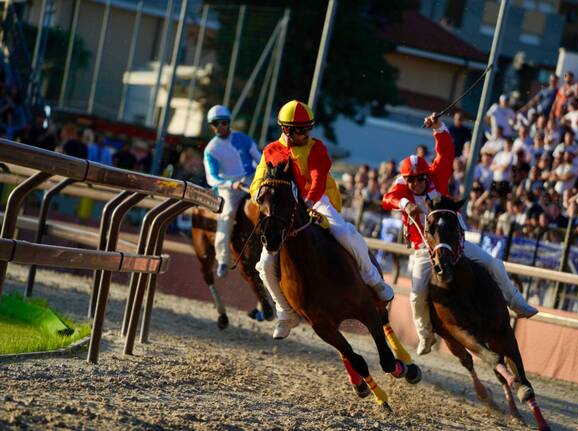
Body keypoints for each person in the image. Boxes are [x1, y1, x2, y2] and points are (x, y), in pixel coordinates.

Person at [381, 113, 538, 356]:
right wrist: (404, 203)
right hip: (425, 249)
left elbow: (446, 152)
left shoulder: (437, 175)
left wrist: (438, 127)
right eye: (410, 180)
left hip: (455, 245)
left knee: (493, 263)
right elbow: (387, 198)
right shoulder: (402, 188)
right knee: (416, 294)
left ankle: (515, 301)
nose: (415, 185)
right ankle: (425, 335)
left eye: (419, 179)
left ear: (426, 175)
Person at [250, 100, 394, 339]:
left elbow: (317, 179)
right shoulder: (271, 151)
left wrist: (307, 201)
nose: (306, 134)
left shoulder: (317, 148)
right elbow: (257, 182)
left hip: (317, 200)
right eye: (300, 130)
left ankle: (373, 279)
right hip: (284, 210)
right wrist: (260, 197)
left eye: (308, 128)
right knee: (265, 264)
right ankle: (285, 312)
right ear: (286, 129)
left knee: (346, 232)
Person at [203, 104, 261, 278]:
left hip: (250, 179)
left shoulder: (243, 138)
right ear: (212, 126)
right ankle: (222, 259)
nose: (219, 126)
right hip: (229, 188)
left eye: (223, 122)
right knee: (227, 214)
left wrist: (262, 176)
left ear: (228, 122)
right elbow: (211, 178)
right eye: (215, 123)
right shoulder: (211, 149)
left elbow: (259, 159)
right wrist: (230, 184)